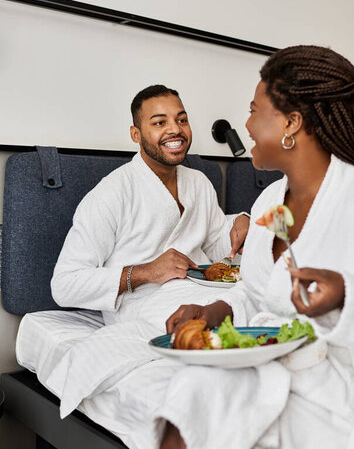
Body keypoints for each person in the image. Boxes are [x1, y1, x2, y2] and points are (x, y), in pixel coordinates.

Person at [158, 45, 354, 449]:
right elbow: (259, 296)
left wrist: (346, 295)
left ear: (291, 123)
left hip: (349, 393)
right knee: (192, 396)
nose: (247, 124)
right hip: (281, 371)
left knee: (209, 419)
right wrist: (217, 309)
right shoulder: (270, 200)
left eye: (255, 110)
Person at [51, 84, 249, 331]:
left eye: (182, 119)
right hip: (145, 305)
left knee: (265, 301)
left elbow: (215, 245)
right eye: (159, 123)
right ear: (136, 134)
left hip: (202, 291)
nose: (175, 129)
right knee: (213, 328)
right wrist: (146, 272)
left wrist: (239, 224)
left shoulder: (198, 182)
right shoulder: (111, 194)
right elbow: (64, 284)